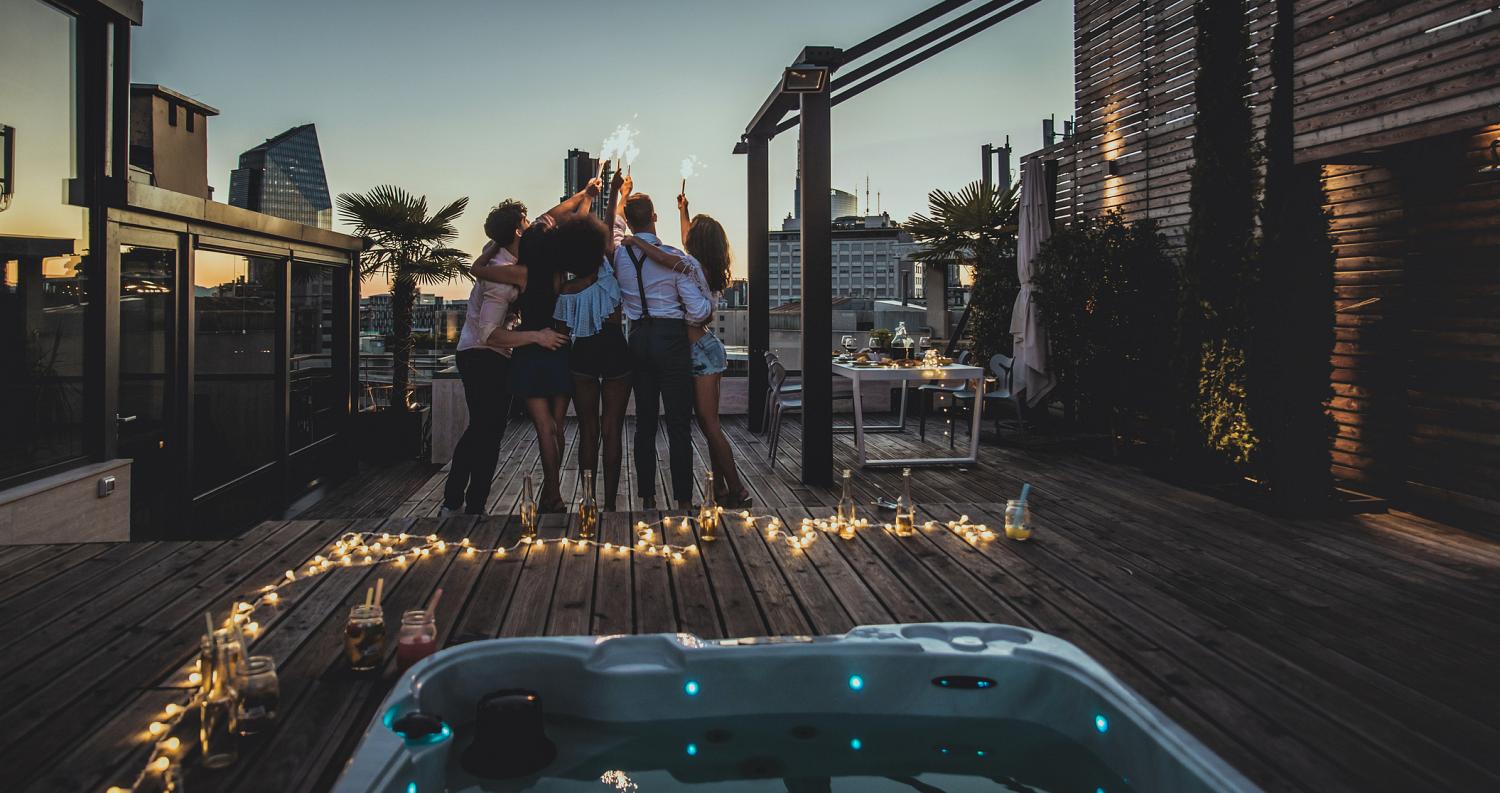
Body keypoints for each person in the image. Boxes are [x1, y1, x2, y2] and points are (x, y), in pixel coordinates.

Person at [474, 180, 601, 512]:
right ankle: (551, 491)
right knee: (557, 426)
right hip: (558, 346)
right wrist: (585, 199)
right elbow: (568, 226)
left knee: (543, 427)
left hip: (531, 350)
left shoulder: (520, 273)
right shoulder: (561, 274)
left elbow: (478, 270)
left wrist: (494, 245)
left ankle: (554, 493)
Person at [623, 191, 752, 508]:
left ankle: (737, 490)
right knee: (703, 425)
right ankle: (719, 490)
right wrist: (684, 208)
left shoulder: (690, 266)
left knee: (709, 424)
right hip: (692, 349)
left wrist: (637, 242)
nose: (685, 235)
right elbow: (677, 248)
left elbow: (670, 260)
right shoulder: (700, 264)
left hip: (700, 352)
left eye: (691, 233)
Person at [442, 200, 568, 516]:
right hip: (482, 355)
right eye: (525, 222)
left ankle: (464, 502)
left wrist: (587, 192)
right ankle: (463, 504)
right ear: (516, 231)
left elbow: (546, 216)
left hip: (492, 355)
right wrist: (538, 336)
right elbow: (489, 333)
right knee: (486, 430)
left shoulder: (507, 251)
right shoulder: (500, 280)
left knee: (486, 429)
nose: (531, 225)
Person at [613, 190, 712, 511]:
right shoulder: (673, 258)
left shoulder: (619, 256)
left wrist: (619, 194)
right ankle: (683, 499)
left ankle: (647, 497)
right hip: (671, 340)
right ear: (655, 217)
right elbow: (698, 312)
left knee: (645, 422)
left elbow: (613, 230)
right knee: (678, 422)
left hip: (637, 338)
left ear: (628, 221)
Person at [554, 173, 631, 510]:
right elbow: (607, 234)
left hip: (581, 359)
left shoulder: (565, 292)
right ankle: (611, 504)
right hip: (616, 354)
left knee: (588, 431)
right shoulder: (609, 272)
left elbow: (561, 330)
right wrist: (615, 195)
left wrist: (591, 196)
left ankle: (587, 500)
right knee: (612, 429)